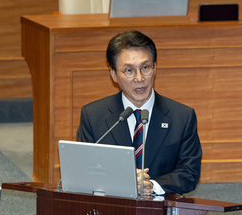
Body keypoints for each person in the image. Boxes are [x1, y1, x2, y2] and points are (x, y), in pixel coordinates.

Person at [76, 30, 202, 195]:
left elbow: (189, 173)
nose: (139, 78)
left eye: (145, 68)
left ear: (155, 68)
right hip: (110, 209)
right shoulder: (93, 115)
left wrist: (151, 186)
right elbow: (85, 170)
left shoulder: (182, 117)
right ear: (114, 74)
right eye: (129, 70)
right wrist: (124, 182)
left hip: (161, 210)